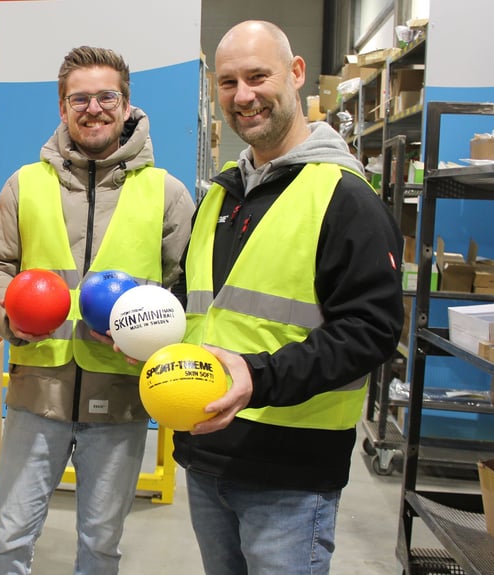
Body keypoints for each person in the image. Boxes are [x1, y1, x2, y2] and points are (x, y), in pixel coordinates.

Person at [176, 20, 404, 575]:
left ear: (296, 73)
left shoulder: (344, 197)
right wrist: (145, 319)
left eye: (258, 77)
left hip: (290, 470)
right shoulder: (223, 195)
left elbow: (371, 330)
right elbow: (201, 303)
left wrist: (260, 376)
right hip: (208, 453)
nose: (243, 96)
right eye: (228, 83)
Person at [0, 46, 195, 574]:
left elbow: (189, 289)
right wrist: (9, 313)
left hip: (120, 399)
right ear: (63, 108)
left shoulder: (167, 194)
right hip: (35, 396)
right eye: (79, 99)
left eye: (105, 96)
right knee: (10, 538)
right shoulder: (26, 185)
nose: (93, 108)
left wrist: (157, 339)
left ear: (127, 104)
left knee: (100, 545)